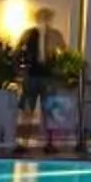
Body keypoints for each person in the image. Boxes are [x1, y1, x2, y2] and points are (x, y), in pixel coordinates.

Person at [16, 8, 58, 141]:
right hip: (31, 75)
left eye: (47, 16)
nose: (44, 19)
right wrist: (19, 69)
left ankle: (49, 142)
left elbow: (64, 51)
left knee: (49, 110)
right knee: (27, 109)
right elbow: (18, 50)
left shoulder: (55, 35)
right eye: (41, 16)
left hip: (48, 75)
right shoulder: (28, 34)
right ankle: (24, 141)